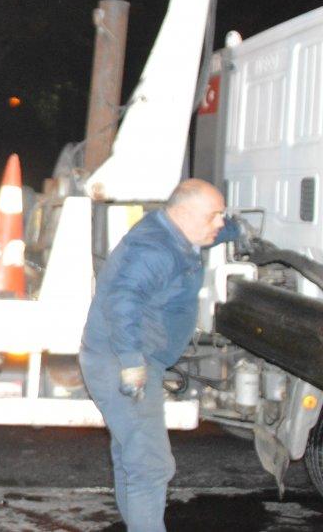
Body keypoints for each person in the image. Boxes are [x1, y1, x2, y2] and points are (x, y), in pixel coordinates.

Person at [80, 178, 239, 531]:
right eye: (213, 216)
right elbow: (122, 301)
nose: (218, 223)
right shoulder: (154, 249)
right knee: (150, 465)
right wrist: (132, 363)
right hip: (122, 359)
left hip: (125, 354)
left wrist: (232, 231)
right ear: (182, 213)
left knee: (131, 457)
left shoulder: (174, 233)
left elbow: (215, 231)